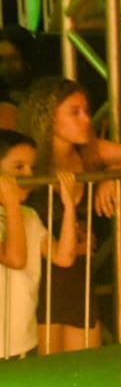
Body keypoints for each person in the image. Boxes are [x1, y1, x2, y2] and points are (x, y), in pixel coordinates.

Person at [16, 78, 121, 352]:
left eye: (87, 111)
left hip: (79, 279)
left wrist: (113, 174)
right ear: (48, 117)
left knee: (84, 363)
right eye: (74, 112)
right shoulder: (28, 158)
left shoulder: (90, 151)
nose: (87, 119)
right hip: (39, 283)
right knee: (46, 369)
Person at [0, 131, 79, 359]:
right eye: (18, 167)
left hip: (23, 342)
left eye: (31, 168)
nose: (28, 175)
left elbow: (64, 257)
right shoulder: (19, 213)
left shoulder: (29, 215)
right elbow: (15, 259)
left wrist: (69, 206)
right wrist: (11, 204)